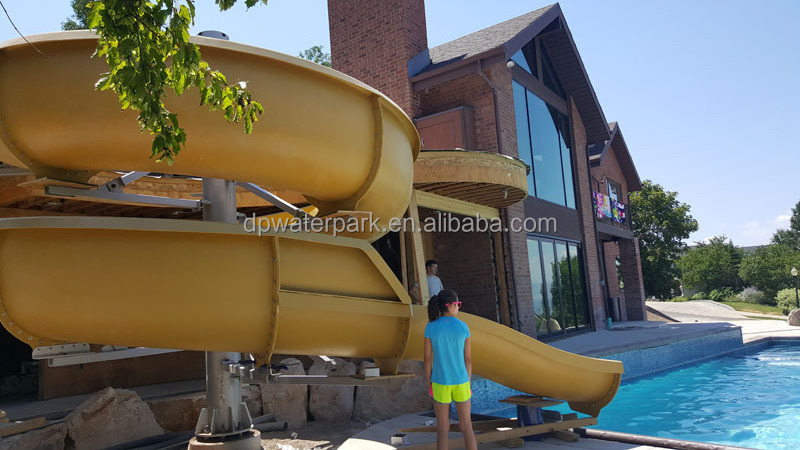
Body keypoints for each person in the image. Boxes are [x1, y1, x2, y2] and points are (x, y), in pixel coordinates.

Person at [424, 289, 477, 450]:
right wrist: (467, 381)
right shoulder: (463, 327)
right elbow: (468, 360)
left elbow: (427, 360)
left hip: (440, 382)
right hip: (461, 381)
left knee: (442, 429)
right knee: (467, 427)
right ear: (451, 305)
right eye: (458, 304)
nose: (459, 308)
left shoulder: (431, 327)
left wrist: (429, 384)